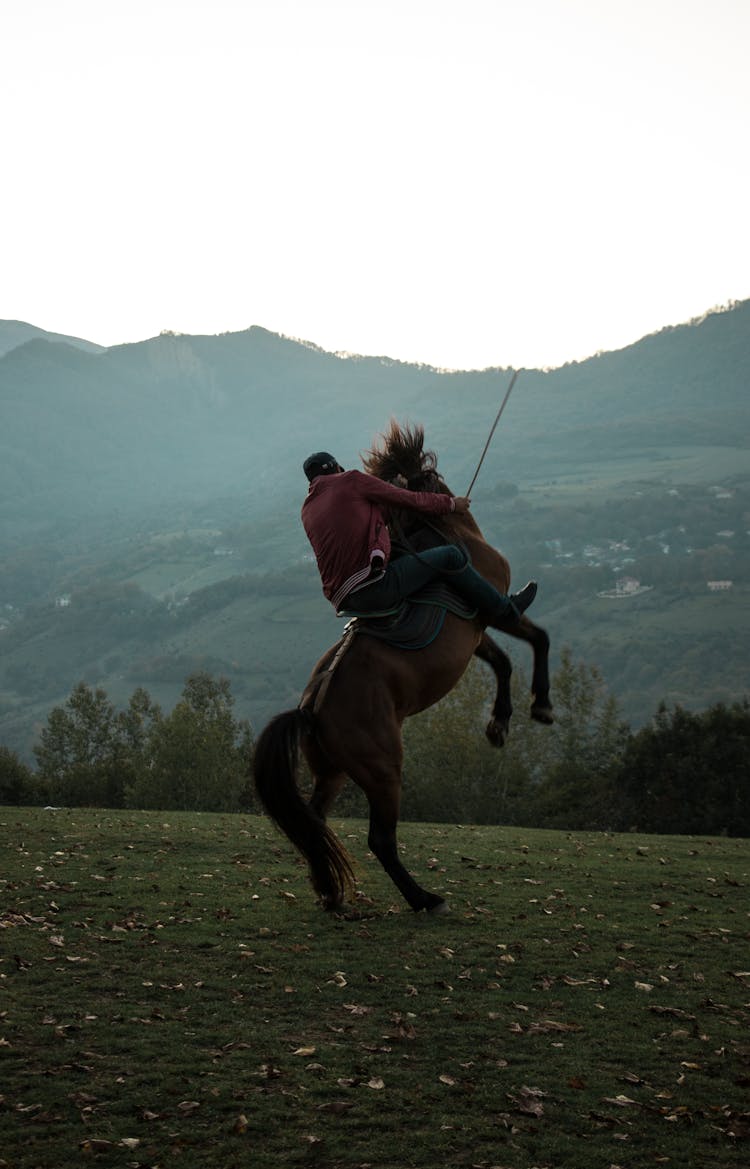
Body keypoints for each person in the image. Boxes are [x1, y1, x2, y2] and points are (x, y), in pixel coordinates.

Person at [301, 451, 537, 626]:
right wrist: (453, 504)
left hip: (344, 603)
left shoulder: (307, 509)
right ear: (337, 469)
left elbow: (362, 524)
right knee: (450, 557)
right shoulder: (350, 480)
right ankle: (505, 610)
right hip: (375, 589)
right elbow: (408, 500)